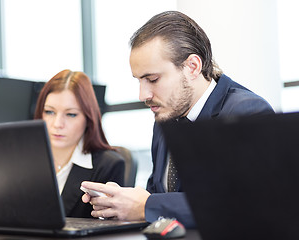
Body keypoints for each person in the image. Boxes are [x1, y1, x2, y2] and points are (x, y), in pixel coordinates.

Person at [81, 11, 274, 228]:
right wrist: (121, 204)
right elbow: (157, 191)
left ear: (192, 67)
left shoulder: (245, 112)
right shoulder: (166, 115)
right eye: (139, 81)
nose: (143, 95)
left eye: (152, 79)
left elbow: (242, 204)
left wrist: (147, 206)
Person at [34, 69, 125, 218]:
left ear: (88, 119)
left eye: (71, 114)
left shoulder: (108, 166)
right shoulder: (23, 159)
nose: (57, 124)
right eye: (50, 112)